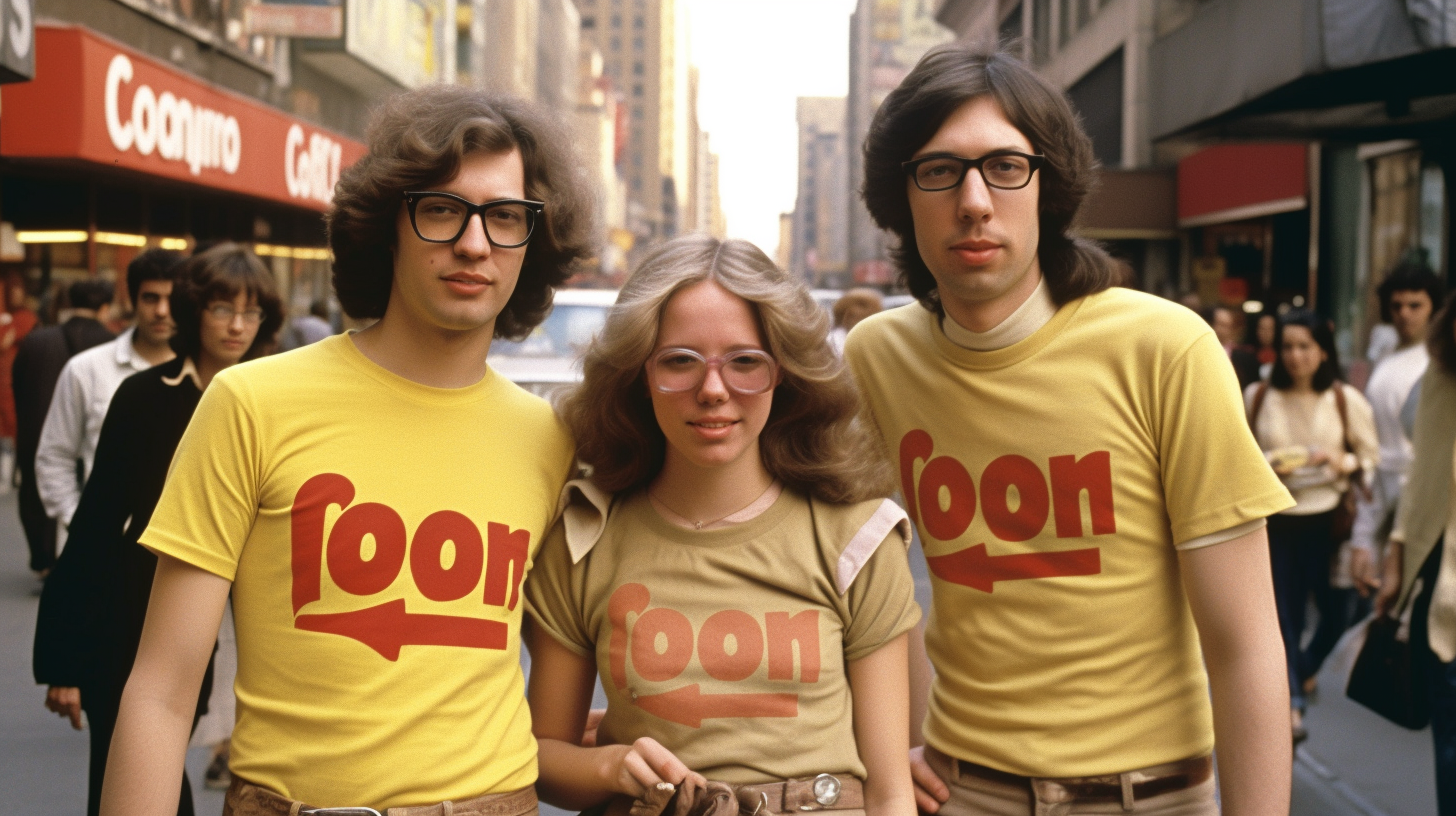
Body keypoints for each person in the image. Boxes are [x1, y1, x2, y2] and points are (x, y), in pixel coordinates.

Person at [98, 85, 592, 816]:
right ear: (387, 225)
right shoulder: (251, 404)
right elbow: (162, 694)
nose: (474, 243)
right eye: (441, 209)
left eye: (506, 216)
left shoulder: (550, 440)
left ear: (533, 242)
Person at [848, 46, 1294, 815]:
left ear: (1047, 186)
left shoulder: (1166, 348)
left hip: (1148, 797)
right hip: (961, 793)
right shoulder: (876, 358)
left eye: (1005, 167)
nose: (975, 201)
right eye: (940, 170)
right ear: (903, 194)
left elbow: (1245, 644)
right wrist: (899, 748)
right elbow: (867, 589)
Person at [525, 236, 919, 816]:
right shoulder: (585, 538)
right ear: (639, 374)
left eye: (745, 362)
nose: (713, 390)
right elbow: (542, 756)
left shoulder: (856, 537)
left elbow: (890, 791)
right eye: (680, 361)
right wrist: (611, 766)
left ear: (782, 373)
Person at [33, 243, 283, 816]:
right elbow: (97, 523)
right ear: (195, 310)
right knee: (132, 774)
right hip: (134, 612)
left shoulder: (277, 399)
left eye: (251, 312)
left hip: (245, 621)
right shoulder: (145, 395)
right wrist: (64, 660)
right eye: (222, 309)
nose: (237, 326)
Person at [1245, 309, 1378, 741]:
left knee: (1339, 613)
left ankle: (1301, 672)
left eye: (1305, 346)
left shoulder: (1344, 399)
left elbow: (1371, 459)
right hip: (1277, 517)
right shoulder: (1258, 396)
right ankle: (1292, 707)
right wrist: (1267, 465)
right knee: (1284, 614)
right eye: (1287, 346)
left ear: (1323, 351)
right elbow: (1241, 454)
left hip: (1330, 519)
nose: (1295, 356)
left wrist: (1337, 459)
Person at [35, 249, 183, 547]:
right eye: (150, 298)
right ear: (132, 300)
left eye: (172, 299)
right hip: (101, 547)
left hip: (179, 548)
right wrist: (79, 520)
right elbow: (55, 455)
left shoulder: (205, 376)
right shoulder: (86, 369)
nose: (161, 310)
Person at [1375, 290, 1456, 816]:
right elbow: (1420, 475)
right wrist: (1395, 560)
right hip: (1440, 585)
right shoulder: (1437, 380)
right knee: (1449, 737)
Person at [1349, 262, 1444, 595]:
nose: (1405, 314)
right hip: (1381, 490)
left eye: (1415, 305)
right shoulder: (1386, 356)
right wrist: (1364, 533)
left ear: (1433, 308)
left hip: (1420, 498)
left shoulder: (1438, 364)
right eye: (1397, 306)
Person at [12, 279, 116, 575]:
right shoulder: (114, 345)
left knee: (37, 489)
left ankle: (44, 559)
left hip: (36, 428)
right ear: (105, 308)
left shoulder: (36, 341)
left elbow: (17, 384)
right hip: (96, 439)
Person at [0, 276, 39, 475]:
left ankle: (16, 472)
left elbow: (5, 342)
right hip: (4, 380)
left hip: (15, 380)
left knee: (13, 425)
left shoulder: (25, 317)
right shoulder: (8, 317)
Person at [1202, 303, 1260, 389]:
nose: (1225, 330)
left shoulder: (1245, 357)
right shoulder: (1201, 352)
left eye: (1228, 325)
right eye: (1221, 324)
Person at [828, 288, 884, 356]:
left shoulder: (874, 343)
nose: (877, 323)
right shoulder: (833, 345)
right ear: (849, 316)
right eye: (871, 316)